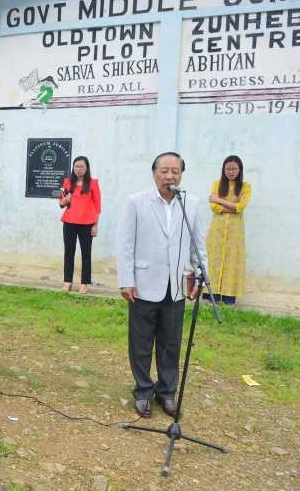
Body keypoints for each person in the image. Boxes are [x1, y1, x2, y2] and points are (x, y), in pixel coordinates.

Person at [117, 152, 205, 418]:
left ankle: (167, 392)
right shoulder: (136, 202)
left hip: (176, 286)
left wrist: (200, 276)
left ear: (181, 174)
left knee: (171, 343)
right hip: (143, 284)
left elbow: (198, 246)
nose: (170, 176)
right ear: (154, 173)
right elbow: (125, 244)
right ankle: (143, 391)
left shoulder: (192, 204)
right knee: (141, 342)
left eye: (175, 171)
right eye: (164, 170)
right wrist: (126, 280)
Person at [206, 155, 251, 306]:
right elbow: (213, 207)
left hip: (234, 232)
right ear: (223, 169)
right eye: (228, 168)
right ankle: (211, 295)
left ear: (240, 170)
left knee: (232, 260)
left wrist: (219, 200)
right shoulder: (217, 184)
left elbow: (241, 207)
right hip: (217, 229)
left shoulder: (245, 187)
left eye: (234, 169)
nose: (231, 172)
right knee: (214, 259)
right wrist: (232, 206)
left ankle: (228, 296)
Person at [58, 156, 101, 294]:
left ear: (87, 168)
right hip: (69, 222)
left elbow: (97, 206)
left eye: (82, 166)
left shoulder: (93, 183)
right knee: (68, 253)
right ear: (73, 167)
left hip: (87, 223)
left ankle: (84, 284)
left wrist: (95, 225)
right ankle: (67, 282)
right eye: (76, 166)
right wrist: (65, 200)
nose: (79, 169)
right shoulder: (67, 182)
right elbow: (61, 203)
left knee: (86, 254)